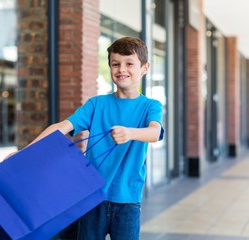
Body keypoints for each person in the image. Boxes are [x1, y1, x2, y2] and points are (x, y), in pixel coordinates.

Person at [22, 36, 164, 240]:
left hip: (128, 200)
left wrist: (130, 132)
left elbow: (155, 132)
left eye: (129, 63)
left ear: (144, 68)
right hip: (91, 198)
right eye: (115, 64)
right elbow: (61, 127)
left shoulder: (150, 106)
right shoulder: (96, 104)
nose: (121, 69)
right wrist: (22, 153)